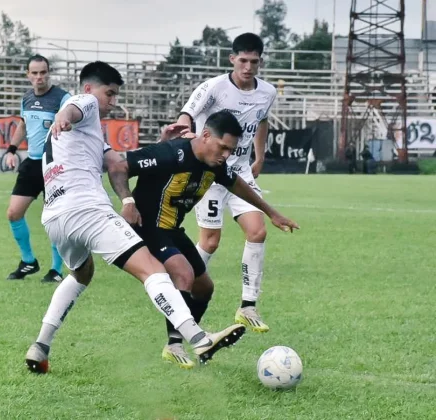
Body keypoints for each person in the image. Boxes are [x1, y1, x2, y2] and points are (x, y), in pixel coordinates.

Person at [24, 61, 246, 374]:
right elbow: (74, 108)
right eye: (109, 93)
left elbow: (119, 162)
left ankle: (40, 345)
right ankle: (197, 338)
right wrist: (64, 114)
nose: (112, 101)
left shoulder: (93, 136)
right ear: (89, 88)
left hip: (56, 217)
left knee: (81, 274)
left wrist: (163, 144)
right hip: (87, 210)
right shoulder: (83, 103)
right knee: (153, 269)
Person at [106, 110, 299, 369]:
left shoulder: (215, 164)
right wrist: (128, 202)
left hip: (171, 229)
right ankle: (175, 345)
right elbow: (120, 165)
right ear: (206, 135)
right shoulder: (171, 154)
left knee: (204, 288)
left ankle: (187, 342)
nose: (226, 155)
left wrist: (272, 213)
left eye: (231, 150)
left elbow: (237, 184)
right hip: (147, 226)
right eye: (223, 147)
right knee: (183, 274)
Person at [172, 33, 277, 332]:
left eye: (254, 62)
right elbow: (186, 115)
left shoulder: (267, 92)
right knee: (210, 242)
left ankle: (248, 305)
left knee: (257, 231)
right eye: (242, 61)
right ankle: (181, 288)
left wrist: (260, 155)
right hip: (210, 173)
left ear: (260, 61)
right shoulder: (214, 87)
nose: (248, 67)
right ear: (232, 59)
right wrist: (187, 135)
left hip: (240, 172)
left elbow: (262, 120)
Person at [5, 54, 71, 283]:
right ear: (28, 75)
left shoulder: (63, 98)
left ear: (48, 73)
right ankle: (28, 262)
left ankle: (56, 270)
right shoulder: (26, 98)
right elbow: (23, 125)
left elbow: (73, 124)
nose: (39, 77)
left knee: (53, 219)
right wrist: (12, 149)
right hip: (32, 163)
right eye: (34, 73)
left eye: (43, 72)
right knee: (14, 213)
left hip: (54, 163)